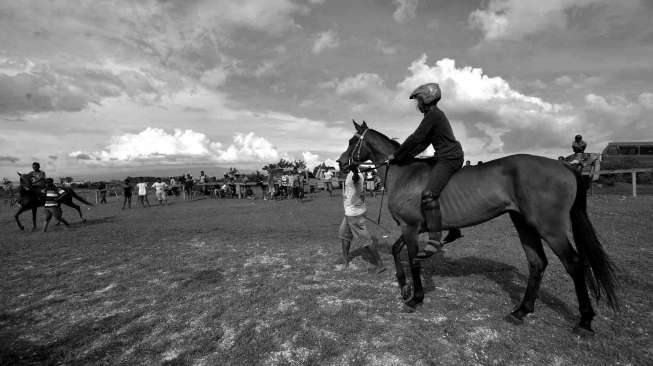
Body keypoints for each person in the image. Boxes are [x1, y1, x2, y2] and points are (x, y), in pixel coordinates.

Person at [387, 82, 464, 259]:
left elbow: (416, 138)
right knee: (429, 181)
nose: (417, 104)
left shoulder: (433, 116)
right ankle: (453, 229)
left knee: (429, 194)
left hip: (449, 158)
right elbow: (422, 143)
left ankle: (435, 240)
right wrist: (404, 158)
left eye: (418, 100)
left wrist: (396, 155)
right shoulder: (433, 116)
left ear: (426, 99)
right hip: (443, 156)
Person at [338, 164, 385, 273]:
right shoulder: (353, 173)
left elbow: (356, 178)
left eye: (343, 165)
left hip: (354, 215)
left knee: (365, 241)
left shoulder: (356, 176)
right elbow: (362, 192)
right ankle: (345, 262)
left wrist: (353, 168)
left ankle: (380, 264)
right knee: (344, 236)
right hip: (350, 213)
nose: (341, 167)